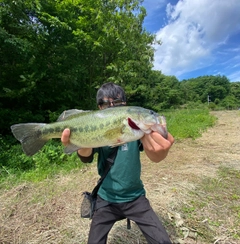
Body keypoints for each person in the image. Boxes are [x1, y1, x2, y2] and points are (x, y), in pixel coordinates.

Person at [61, 82, 174, 244]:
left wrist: (161, 152)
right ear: (99, 108)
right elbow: (85, 157)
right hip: (106, 198)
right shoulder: (98, 126)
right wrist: (79, 142)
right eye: (106, 104)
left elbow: (155, 155)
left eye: (118, 102)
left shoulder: (138, 131)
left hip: (135, 197)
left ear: (125, 105)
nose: (112, 106)